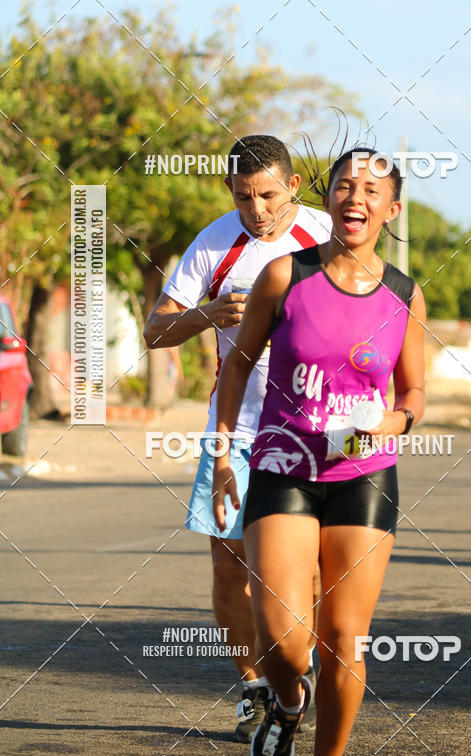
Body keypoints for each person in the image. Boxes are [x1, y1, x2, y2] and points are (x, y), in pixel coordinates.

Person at [212, 148, 426, 755]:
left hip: (364, 472)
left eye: (370, 189)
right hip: (282, 465)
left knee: (345, 638)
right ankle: (286, 702)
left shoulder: (403, 295)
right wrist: (224, 456)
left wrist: (399, 418)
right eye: (344, 186)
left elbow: (414, 389)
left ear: (392, 208)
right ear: (326, 197)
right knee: (283, 640)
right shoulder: (286, 275)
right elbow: (237, 367)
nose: (355, 197)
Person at [143, 135, 331, 740]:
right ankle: (254, 687)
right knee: (230, 566)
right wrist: (211, 314)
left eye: (269, 195)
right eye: (246, 196)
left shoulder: (328, 238)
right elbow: (155, 331)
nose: (258, 210)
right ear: (230, 190)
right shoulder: (216, 242)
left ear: (293, 187)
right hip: (237, 428)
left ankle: (299, 674)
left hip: (313, 431)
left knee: (305, 568)